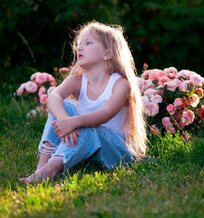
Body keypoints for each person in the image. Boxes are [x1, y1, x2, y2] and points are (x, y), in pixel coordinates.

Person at [19, 21, 148, 183]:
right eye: (79, 44)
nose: (80, 48)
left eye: (88, 43)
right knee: (63, 107)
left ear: (107, 53)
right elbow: (53, 97)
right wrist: (64, 119)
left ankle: (51, 169)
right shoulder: (77, 80)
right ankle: (42, 167)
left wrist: (75, 122)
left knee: (87, 128)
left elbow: (105, 113)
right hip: (86, 149)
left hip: (118, 152)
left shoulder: (120, 83)